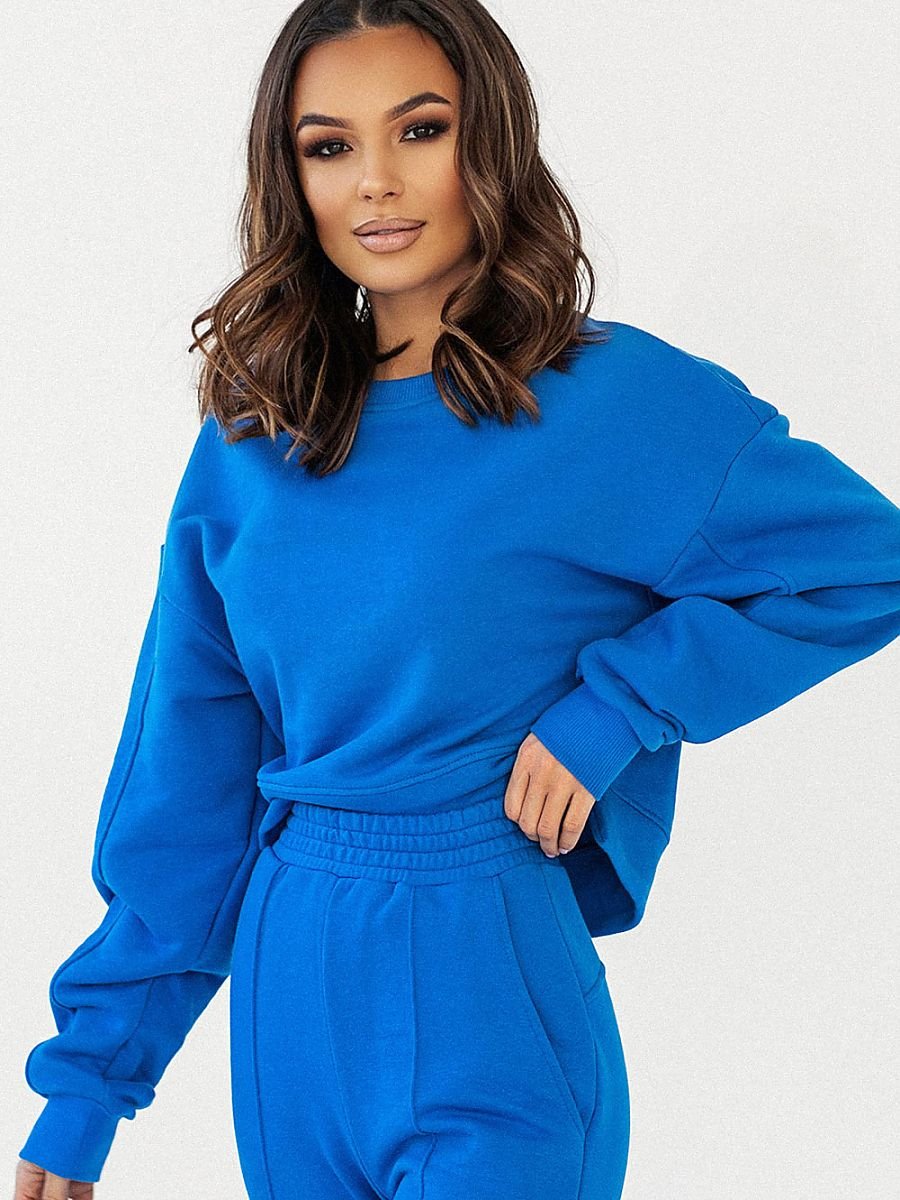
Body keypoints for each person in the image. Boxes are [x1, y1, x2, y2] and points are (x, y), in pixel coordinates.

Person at [15, 2, 900, 1198]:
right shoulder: (255, 438)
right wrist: (88, 1086)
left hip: (490, 979)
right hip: (291, 1002)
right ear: (290, 177)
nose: (375, 182)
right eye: (330, 146)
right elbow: (190, 774)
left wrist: (618, 709)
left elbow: (862, 560)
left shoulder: (612, 401)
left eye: (420, 130)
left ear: (489, 140)